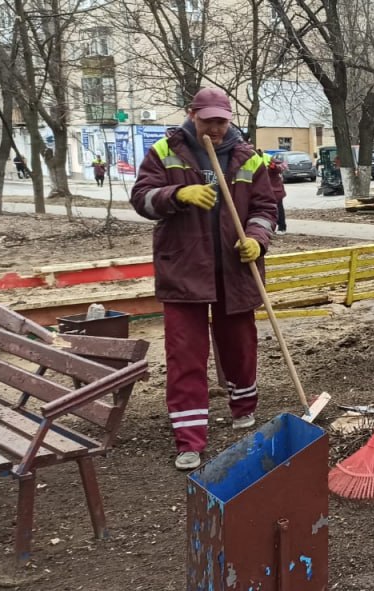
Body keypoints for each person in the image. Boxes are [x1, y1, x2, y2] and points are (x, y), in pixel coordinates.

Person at [129, 87, 278, 470]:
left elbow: (265, 207)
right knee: (185, 357)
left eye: (221, 120)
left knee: (240, 348)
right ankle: (189, 439)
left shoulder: (248, 157)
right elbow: (142, 198)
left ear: (230, 120)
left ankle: (244, 408)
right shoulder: (165, 153)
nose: (214, 127)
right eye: (207, 119)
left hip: (235, 271)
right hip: (184, 271)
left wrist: (257, 241)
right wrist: (178, 194)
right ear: (192, 114)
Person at [265, 152, 288, 234]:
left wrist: (273, 166)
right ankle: (277, 227)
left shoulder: (270, 162)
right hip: (272, 191)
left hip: (275, 191)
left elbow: (278, 168)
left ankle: (282, 227)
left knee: (278, 209)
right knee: (273, 210)